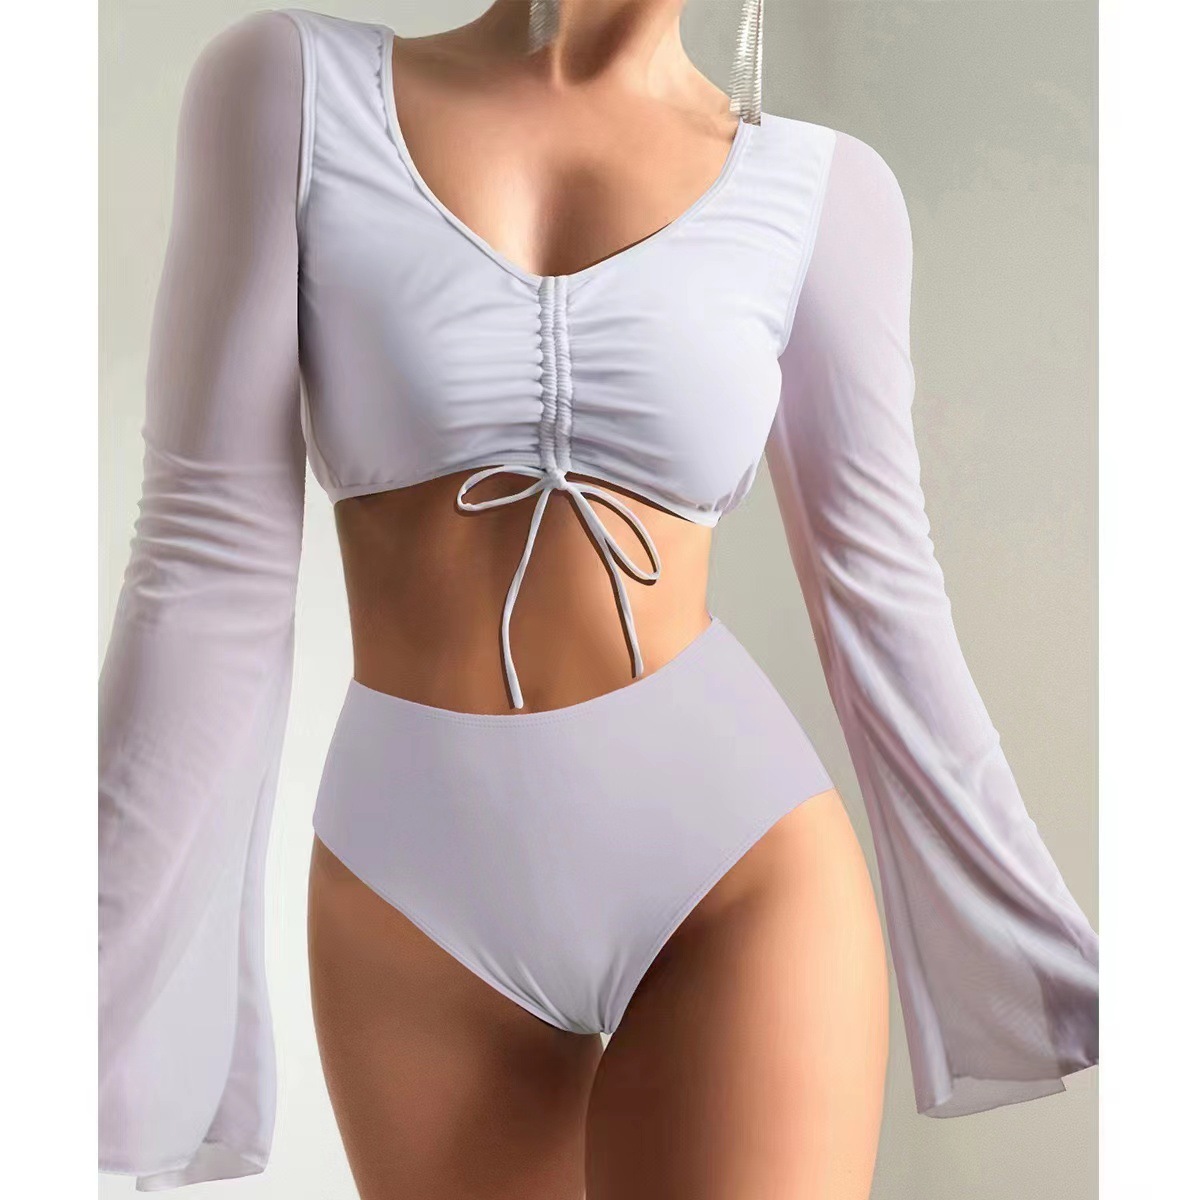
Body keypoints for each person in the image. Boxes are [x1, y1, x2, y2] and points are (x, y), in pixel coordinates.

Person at [98, 3, 1099, 1197]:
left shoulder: (826, 194)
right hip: (408, 887)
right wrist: (82, 965)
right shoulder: (290, 92)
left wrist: (1047, 940)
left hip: (730, 869)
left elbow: (882, 589)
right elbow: (207, 556)